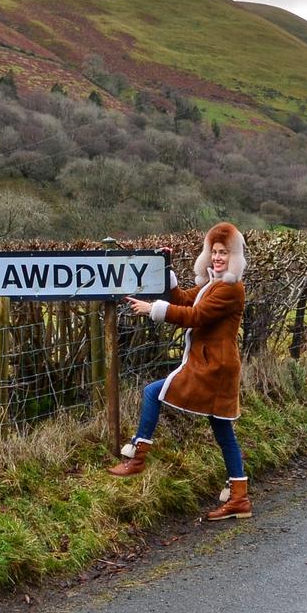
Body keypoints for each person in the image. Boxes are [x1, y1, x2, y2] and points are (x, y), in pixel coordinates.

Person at [106, 221, 250, 521]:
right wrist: (166, 270)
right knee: (223, 431)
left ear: (234, 256)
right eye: (214, 251)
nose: (217, 257)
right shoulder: (214, 284)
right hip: (214, 365)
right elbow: (184, 299)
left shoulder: (231, 288)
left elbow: (196, 315)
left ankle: (137, 456)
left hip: (213, 368)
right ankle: (239, 498)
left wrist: (153, 309)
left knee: (152, 392)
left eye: (224, 252)